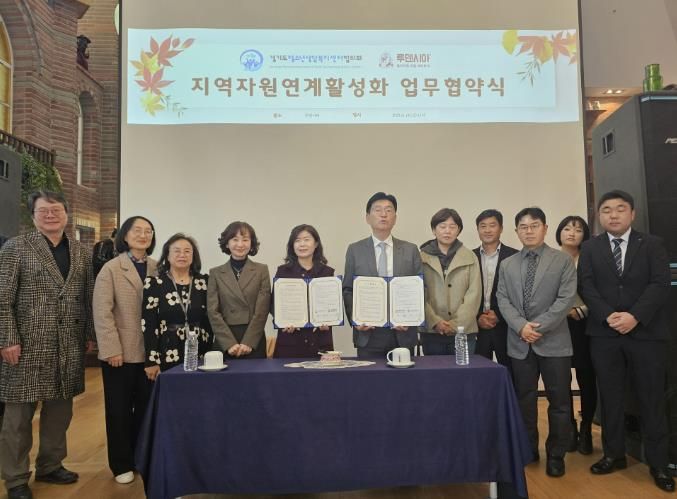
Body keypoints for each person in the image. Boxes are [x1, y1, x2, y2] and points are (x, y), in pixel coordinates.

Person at [0, 191, 95, 499]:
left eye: (56, 210)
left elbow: (88, 296)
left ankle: (50, 465)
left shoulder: (81, 251)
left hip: (68, 343)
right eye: (44, 211)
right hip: (25, 345)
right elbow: (2, 298)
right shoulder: (16, 247)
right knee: (18, 418)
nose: (51, 215)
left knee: (60, 411)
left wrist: (90, 335)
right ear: (33, 216)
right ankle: (15, 479)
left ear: (66, 214)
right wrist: (8, 339)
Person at [578, 190, 674, 492]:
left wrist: (634, 316)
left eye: (620, 209)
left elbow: (660, 284)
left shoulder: (653, 244)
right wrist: (609, 315)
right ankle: (613, 454)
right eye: (607, 210)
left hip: (646, 333)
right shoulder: (590, 247)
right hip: (605, 334)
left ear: (632, 214)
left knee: (652, 398)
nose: (613, 214)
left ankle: (659, 463)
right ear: (599, 216)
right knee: (610, 396)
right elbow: (586, 286)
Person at [496, 207, 576, 478]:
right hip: (520, 342)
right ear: (516, 231)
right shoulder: (507, 264)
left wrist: (537, 327)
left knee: (560, 401)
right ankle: (528, 449)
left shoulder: (562, 260)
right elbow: (502, 299)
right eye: (523, 226)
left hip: (555, 342)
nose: (528, 231)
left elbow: (566, 299)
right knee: (524, 400)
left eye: (534, 225)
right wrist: (521, 326)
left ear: (545, 228)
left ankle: (556, 454)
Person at [92, 216, 157, 484]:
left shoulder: (157, 266)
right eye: (137, 230)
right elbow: (102, 311)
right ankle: (121, 464)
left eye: (148, 231)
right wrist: (111, 349)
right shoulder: (111, 268)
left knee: (145, 408)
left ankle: (141, 457)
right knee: (118, 410)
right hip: (120, 352)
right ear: (125, 236)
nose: (143, 235)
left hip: (150, 353)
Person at [343, 192, 422, 359]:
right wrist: (356, 320)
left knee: (404, 376)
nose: (383, 214)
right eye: (377, 210)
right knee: (369, 376)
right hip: (368, 333)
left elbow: (421, 288)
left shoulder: (410, 250)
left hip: (402, 332)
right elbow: (348, 289)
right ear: (367, 218)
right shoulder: (355, 250)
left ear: (395, 218)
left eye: (388, 210)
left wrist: (411, 319)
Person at [555, 215, 596, 456]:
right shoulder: (550, 259)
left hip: (586, 327)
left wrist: (580, 310)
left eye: (578, 229)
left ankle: (587, 427)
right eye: (567, 228)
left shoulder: (590, 259)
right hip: (557, 327)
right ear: (558, 233)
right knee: (561, 381)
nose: (572, 233)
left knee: (586, 378)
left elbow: (600, 291)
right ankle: (568, 428)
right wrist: (563, 311)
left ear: (585, 235)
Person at [143, 234, 212, 375]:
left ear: (193, 256)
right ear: (167, 256)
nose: (182, 255)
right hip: (167, 351)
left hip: (200, 350)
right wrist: (151, 360)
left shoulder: (205, 282)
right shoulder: (155, 283)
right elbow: (148, 323)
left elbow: (210, 320)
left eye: (187, 251)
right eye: (177, 251)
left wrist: (211, 353)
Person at [420, 208, 481, 355]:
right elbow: (418, 294)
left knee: (464, 369)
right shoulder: (421, 258)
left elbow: (474, 294)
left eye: (452, 227)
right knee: (434, 370)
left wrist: (456, 324)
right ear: (434, 230)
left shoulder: (470, 257)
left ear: (458, 230)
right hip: (431, 332)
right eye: (442, 226)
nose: (447, 231)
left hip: (464, 332)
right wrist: (435, 321)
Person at [207, 222, 270, 359]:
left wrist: (249, 342)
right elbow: (213, 312)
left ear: (251, 244)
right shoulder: (215, 273)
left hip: (254, 338)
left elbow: (262, 310)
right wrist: (228, 343)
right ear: (227, 243)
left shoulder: (261, 270)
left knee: (257, 374)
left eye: (245, 240)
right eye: (235, 239)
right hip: (225, 338)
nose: (240, 244)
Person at [272, 224, 335, 358]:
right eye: (297, 240)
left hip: (320, 342)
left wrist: (329, 320)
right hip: (290, 342)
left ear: (316, 244)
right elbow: (274, 304)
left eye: (307, 239)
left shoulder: (327, 272)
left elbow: (332, 305)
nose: (302, 244)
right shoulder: (283, 272)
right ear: (292, 245)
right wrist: (283, 321)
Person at [473, 209, 518, 371]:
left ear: (501, 228)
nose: (487, 230)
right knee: (478, 373)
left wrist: (499, 315)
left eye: (492, 225)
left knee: (510, 372)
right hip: (477, 326)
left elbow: (517, 293)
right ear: (478, 229)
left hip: (506, 326)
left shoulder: (515, 256)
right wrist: (478, 316)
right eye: (483, 226)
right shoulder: (469, 257)